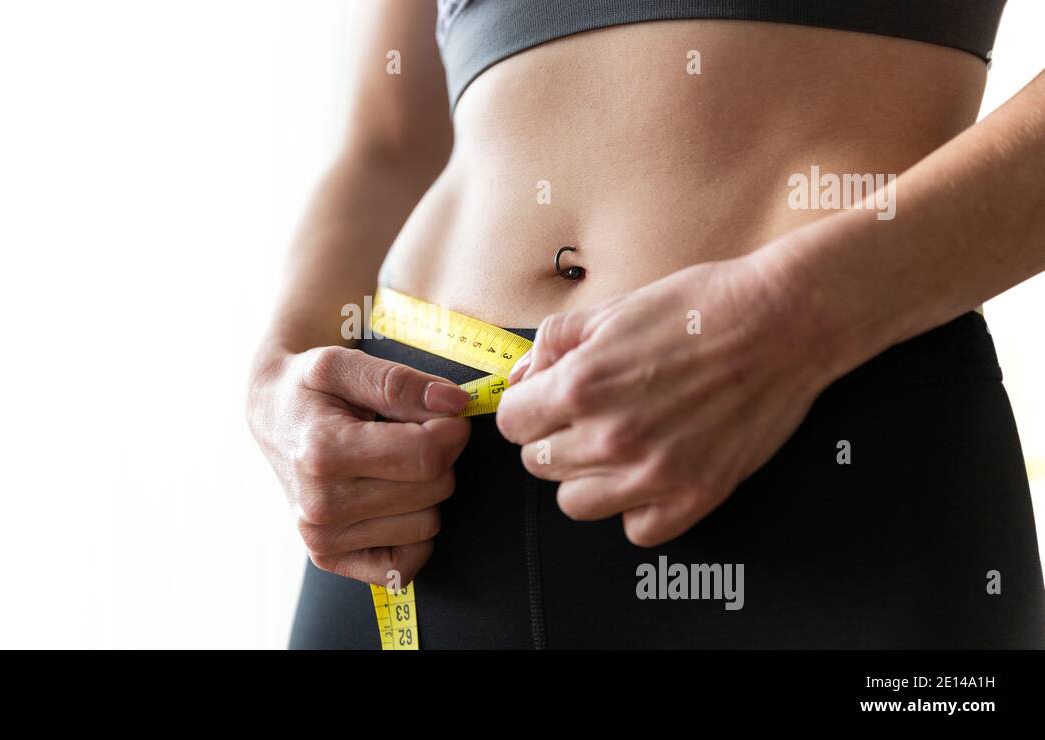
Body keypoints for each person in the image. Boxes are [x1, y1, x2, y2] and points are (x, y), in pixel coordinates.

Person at [246, 0, 1045, 648]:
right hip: (424, 495)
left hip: (824, 444)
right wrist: (279, 372)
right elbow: (388, 143)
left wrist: (798, 314)